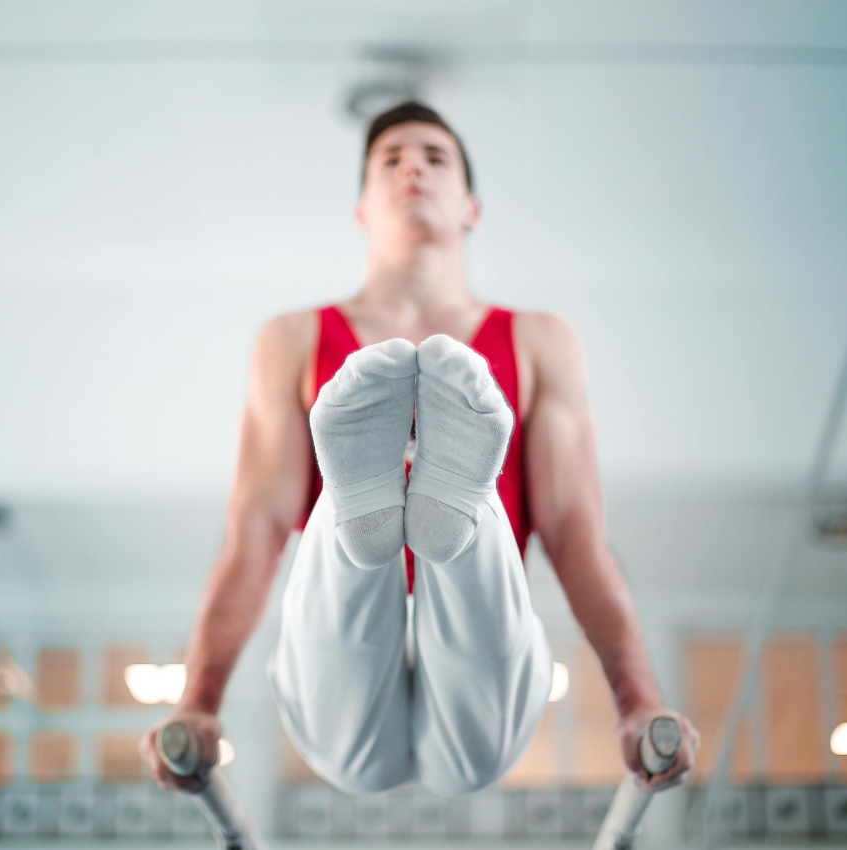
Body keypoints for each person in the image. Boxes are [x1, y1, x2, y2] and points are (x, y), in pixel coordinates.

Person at [140, 101, 700, 797]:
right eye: (392, 159)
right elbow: (254, 535)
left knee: (381, 755)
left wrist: (638, 700)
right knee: (457, 751)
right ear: (360, 210)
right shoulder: (291, 340)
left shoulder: (539, 340)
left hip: (467, 641)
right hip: (366, 642)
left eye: (436, 157)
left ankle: (452, 522)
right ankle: (376, 520)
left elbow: (578, 538)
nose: (413, 167)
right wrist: (198, 699)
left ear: (471, 206)